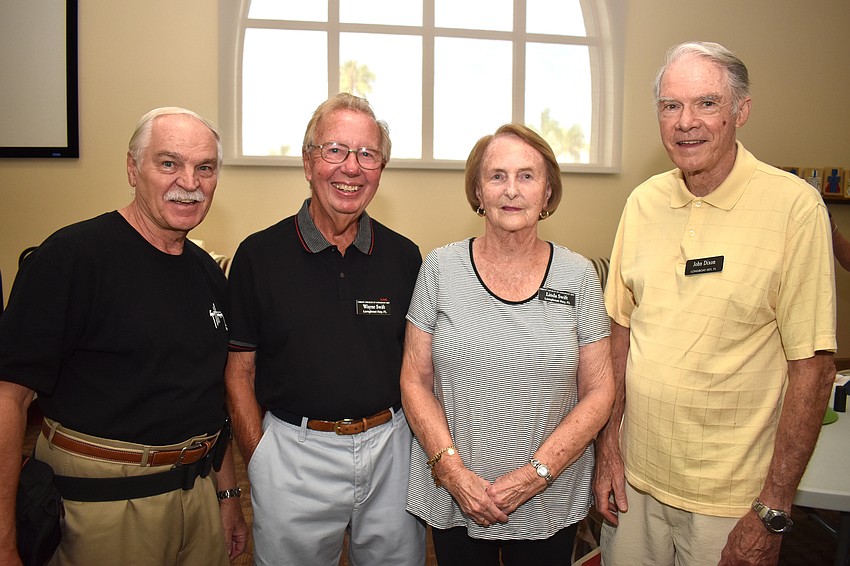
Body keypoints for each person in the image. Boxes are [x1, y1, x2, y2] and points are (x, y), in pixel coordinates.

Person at [593, 41, 837, 566]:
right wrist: (608, 448)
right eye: (670, 105)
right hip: (636, 485)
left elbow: (812, 369)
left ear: (740, 112)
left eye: (706, 103)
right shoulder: (643, 202)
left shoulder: (795, 208)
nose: (686, 123)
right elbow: (620, 333)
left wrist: (772, 508)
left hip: (732, 502)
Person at [0, 107, 248, 565]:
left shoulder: (208, 274)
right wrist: (3, 543)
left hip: (196, 501)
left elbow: (210, 399)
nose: (190, 182)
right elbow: (8, 400)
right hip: (102, 507)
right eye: (169, 163)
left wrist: (228, 496)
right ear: (133, 169)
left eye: (205, 168)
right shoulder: (71, 260)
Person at [225, 93, 426, 566]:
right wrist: (260, 458)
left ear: (381, 168)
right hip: (294, 456)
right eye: (335, 150)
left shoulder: (406, 258)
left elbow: (420, 368)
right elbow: (239, 372)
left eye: (367, 154)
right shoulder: (259, 256)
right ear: (308, 161)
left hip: (390, 452)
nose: (351, 168)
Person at [401, 123, 615, 565]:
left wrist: (537, 475)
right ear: (478, 192)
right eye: (497, 176)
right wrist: (453, 473)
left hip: (547, 497)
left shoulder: (578, 277)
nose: (511, 190)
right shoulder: (439, 269)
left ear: (548, 193)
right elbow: (414, 380)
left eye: (527, 176)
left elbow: (599, 392)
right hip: (456, 495)